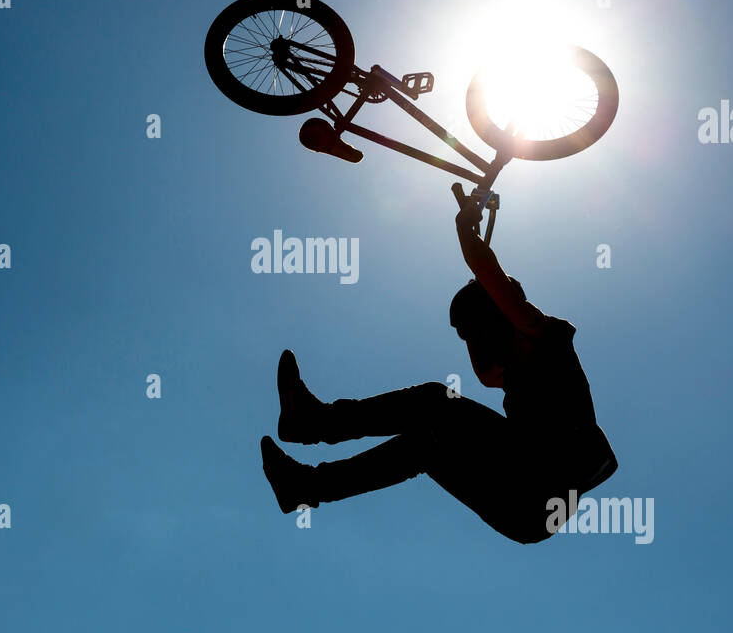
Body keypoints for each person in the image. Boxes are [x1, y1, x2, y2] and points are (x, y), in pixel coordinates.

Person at [260, 184, 618, 544]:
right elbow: (484, 374)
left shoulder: (546, 336)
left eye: (477, 335)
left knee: (434, 400)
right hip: (526, 510)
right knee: (424, 444)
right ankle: (304, 487)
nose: (477, 350)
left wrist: (465, 230)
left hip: (539, 492)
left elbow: (490, 275)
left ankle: (315, 423)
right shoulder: (510, 371)